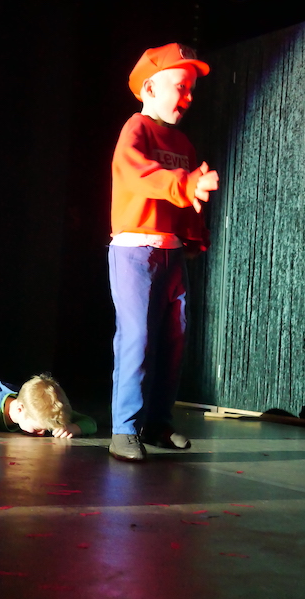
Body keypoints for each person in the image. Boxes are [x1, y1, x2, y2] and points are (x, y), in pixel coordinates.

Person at [108, 43, 219, 461]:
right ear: (150, 88)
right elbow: (137, 173)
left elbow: (187, 199)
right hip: (135, 250)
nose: (187, 97)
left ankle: (157, 422)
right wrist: (185, 184)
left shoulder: (183, 143)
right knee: (137, 337)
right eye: (180, 87)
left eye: (191, 90)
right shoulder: (135, 128)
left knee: (174, 338)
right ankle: (124, 429)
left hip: (171, 253)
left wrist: (194, 236)